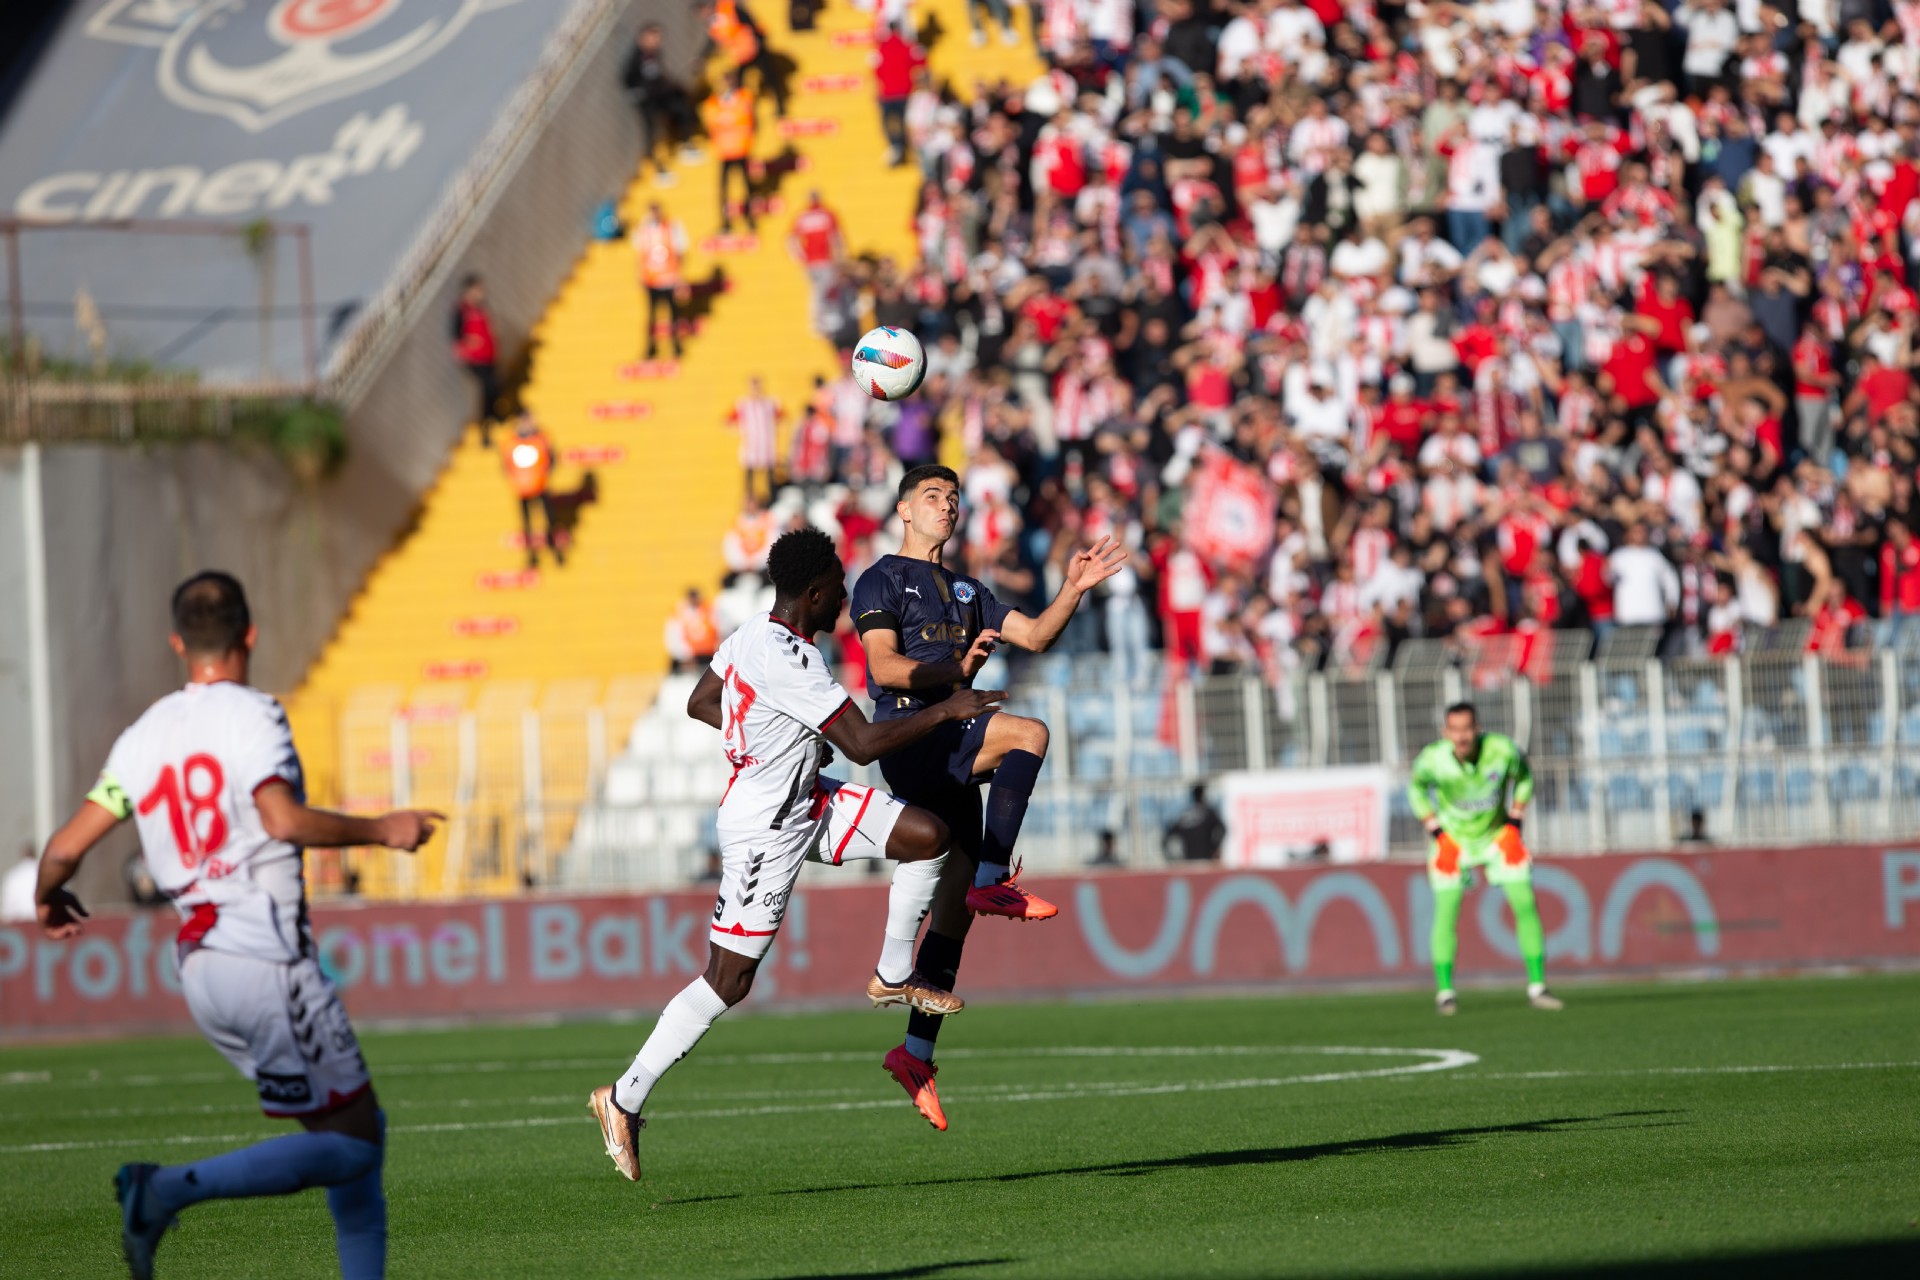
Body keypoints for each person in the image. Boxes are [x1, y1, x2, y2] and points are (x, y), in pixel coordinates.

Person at [31, 572, 441, 1280]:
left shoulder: (143, 735)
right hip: (263, 953)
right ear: (250, 634)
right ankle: (161, 1192)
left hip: (200, 962)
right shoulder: (253, 715)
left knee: (346, 1134)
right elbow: (279, 818)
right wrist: (384, 827)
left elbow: (65, 848)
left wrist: (48, 894)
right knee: (358, 1144)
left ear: (176, 644)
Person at [588, 528, 1001, 1180]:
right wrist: (949, 711)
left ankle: (893, 972)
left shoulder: (752, 632)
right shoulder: (796, 661)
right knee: (729, 981)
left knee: (928, 837)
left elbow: (704, 701)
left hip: (808, 797)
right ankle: (623, 1096)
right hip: (766, 828)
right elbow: (864, 745)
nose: (845, 595)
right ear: (813, 593)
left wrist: (777, 736)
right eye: (838, 587)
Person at [851, 464, 1127, 1129]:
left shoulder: (969, 590)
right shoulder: (882, 578)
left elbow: (1033, 635)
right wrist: (954, 673)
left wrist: (1072, 589)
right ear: (902, 510)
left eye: (952, 497)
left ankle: (915, 1054)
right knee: (1029, 732)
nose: (946, 506)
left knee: (953, 915)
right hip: (912, 734)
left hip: (956, 735)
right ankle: (994, 878)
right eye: (931, 497)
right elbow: (883, 667)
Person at [1408, 702, 1563, 1016]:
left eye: (1467, 729)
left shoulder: (1502, 751)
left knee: (1524, 903)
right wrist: (1437, 833)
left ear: (1477, 729)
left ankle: (1538, 987)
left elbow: (1525, 778)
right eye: (1455, 731)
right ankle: (1445, 993)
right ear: (1445, 732)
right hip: (1453, 841)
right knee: (1446, 911)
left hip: (1497, 838)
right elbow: (1416, 790)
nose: (1462, 737)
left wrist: (1515, 824)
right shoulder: (1432, 760)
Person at [620, 21, 699, 183]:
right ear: (643, 38)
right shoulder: (636, 57)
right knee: (652, 132)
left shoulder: (655, 53)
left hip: (661, 96)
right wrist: (638, 93)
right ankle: (657, 168)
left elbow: (658, 75)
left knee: (682, 108)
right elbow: (627, 78)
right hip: (648, 101)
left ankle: (686, 144)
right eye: (653, 37)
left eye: (658, 38)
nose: (657, 41)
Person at [503, 414, 564, 570]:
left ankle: (556, 550)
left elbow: (551, 460)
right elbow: (506, 465)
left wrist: (543, 475)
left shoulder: (541, 439)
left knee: (550, 520)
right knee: (527, 524)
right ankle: (531, 555)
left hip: (540, 486)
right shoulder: (511, 442)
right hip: (522, 489)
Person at [701, 71, 757, 234]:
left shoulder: (743, 98)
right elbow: (711, 127)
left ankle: (750, 219)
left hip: (740, 149)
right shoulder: (712, 104)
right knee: (724, 189)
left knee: (746, 187)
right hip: (724, 152)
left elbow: (750, 121)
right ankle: (725, 222)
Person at [631, 203, 687, 359]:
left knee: (673, 314)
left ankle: (676, 345)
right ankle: (651, 346)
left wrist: (679, 277)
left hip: (669, 278)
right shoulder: (643, 230)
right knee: (652, 315)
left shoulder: (672, 226)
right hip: (651, 280)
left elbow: (680, 251)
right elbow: (639, 251)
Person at [450, 274, 499, 446]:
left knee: (492, 389)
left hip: (488, 356)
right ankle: (485, 429)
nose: (481, 292)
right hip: (474, 359)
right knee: (488, 387)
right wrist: (468, 345)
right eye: (478, 289)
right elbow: (456, 336)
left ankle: (491, 421)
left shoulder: (481, 308)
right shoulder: (462, 310)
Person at [871, 23, 924, 167]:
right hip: (904, 92)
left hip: (887, 93)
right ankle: (909, 148)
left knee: (888, 123)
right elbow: (921, 62)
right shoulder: (907, 45)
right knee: (906, 122)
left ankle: (896, 146)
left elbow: (876, 70)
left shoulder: (881, 47)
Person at [728, 377, 782, 502]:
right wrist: (742, 433)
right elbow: (727, 422)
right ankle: (749, 504)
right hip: (750, 449)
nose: (756, 389)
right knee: (749, 482)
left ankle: (770, 503)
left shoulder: (771, 403)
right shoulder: (742, 404)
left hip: (767, 448)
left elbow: (783, 419)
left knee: (769, 481)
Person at [1163, 785, 1226, 862]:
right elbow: (1222, 829)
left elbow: (1169, 835)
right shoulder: (1208, 813)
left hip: (1189, 860)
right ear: (1203, 795)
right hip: (1206, 858)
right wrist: (1215, 847)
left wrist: (1173, 857)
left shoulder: (1184, 815)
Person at [1, 844, 37, 922]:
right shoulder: (42, 870)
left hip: (19, 922)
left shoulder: (12, 874)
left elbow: (7, 906)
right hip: (39, 919)